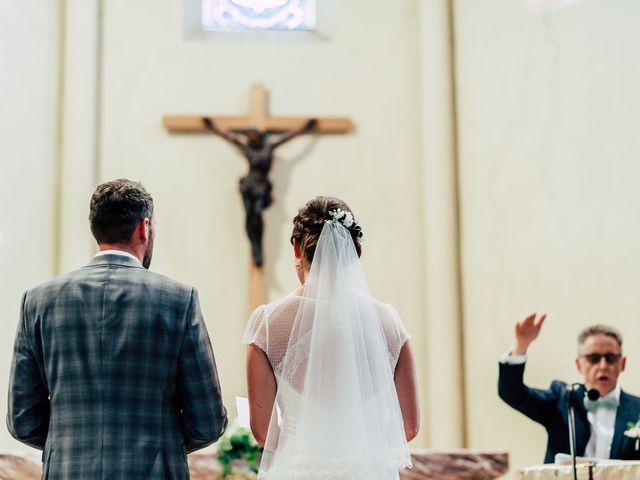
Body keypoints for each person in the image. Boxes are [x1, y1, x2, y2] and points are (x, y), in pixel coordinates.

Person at [7, 179, 228, 479]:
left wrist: (71, 441)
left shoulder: (38, 301)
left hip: (69, 471)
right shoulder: (179, 300)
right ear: (144, 228)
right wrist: (161, 445)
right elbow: (207, 421)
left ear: (95, 228)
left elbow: (23, 420)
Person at [243, 196, 419, 480]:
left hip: (298, 471)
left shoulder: (267, 323)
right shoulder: (389, 323)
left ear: (297, 248)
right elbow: (408, 427)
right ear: (353, 250)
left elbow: (263, 431)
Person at [498, 314, 640, 463]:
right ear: (579, 364)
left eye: (610, 358)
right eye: (594, 358)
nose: (603, 366)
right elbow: (512, 393)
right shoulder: (561, 400)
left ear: (622, 363)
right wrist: (521, 346)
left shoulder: (637, 409)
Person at [203, 117, 317, 267]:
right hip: (248, 186)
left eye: (255, 137)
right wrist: (212, 125)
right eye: (251, 138)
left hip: (261, 188)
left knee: (257, 213)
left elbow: (289, 135)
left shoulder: (268, 147)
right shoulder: (248, 148)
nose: (253, 140)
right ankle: (255, 247)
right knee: (250, 216)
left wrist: (305, 126)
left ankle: (258, 246)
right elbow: (229, 136)